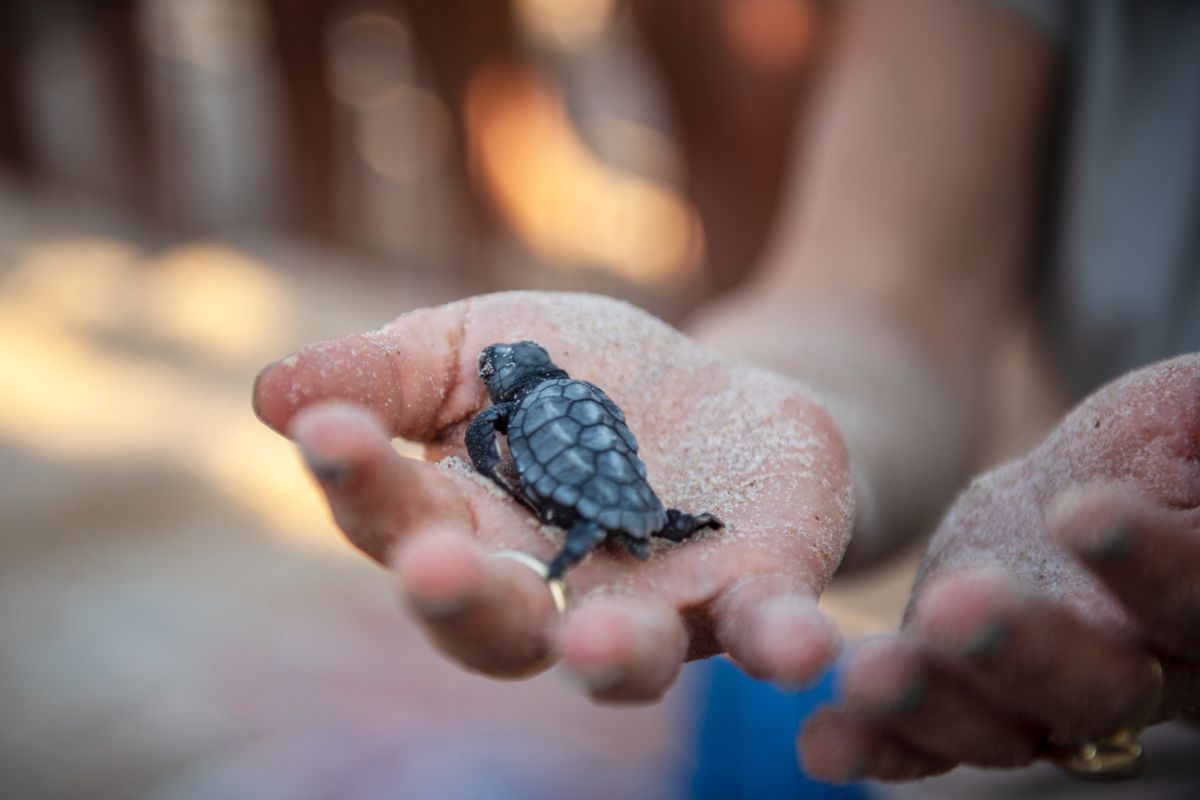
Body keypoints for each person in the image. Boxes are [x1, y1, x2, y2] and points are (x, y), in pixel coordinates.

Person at [252, 0, 1199, 784]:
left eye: (495, 381)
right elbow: (879, 295)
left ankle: (626, 532)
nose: (491, 384)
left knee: (616, 545)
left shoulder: (504, 416)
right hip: (631, 480)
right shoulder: (565, 391)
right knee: (716, 657)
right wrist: (767, 398)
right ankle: (669, 522)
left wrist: (499, 472)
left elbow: (516, 450)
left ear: (503, 388)